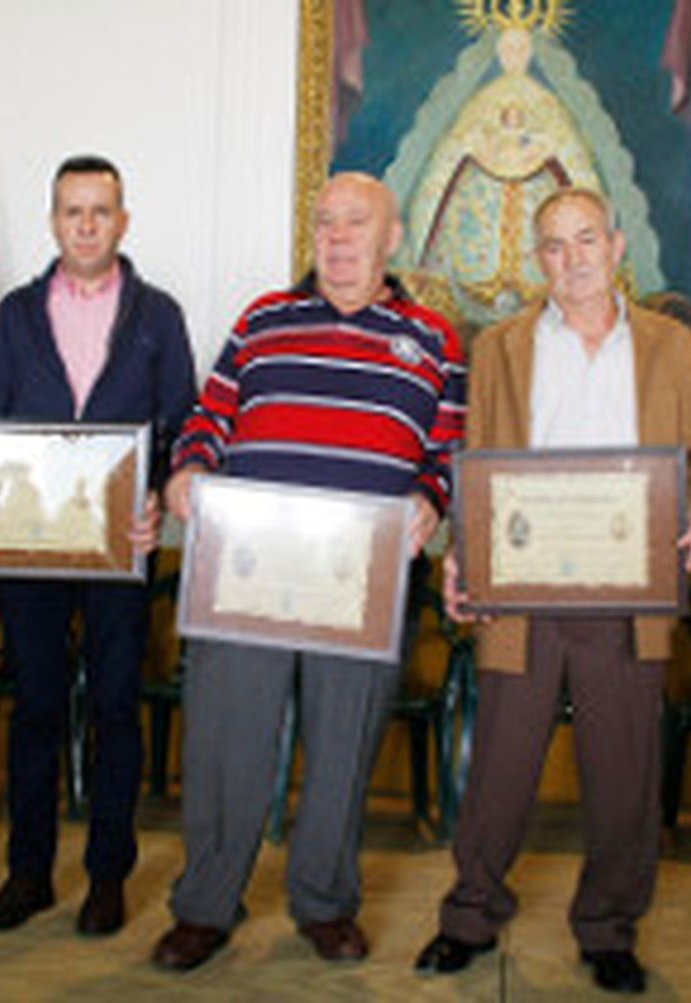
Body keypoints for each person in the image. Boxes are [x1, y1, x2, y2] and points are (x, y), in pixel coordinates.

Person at [152, 172, 466, 973]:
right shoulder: (263, 318)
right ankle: (204, 906)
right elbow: (208, 418)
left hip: (362, 579)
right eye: (325, 222)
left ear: (392, 237)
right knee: (227, 742)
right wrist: (187, 469)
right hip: (247, 568)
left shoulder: (435, 338)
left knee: (341, 748)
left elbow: (447, 453)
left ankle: (324, 904)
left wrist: (433, 500)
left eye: (356, 222)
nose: (337, 236)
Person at [413, 187, 691, 995]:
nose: (572, 258)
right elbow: (475, 462)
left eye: (587, 239)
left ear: (617, 246)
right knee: (501, 769)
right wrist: (460, 559)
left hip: (628, 591)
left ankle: (610, 927)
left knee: (623, 770)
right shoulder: (503, 347)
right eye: (554, 244)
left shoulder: (670, 347)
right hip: (523, 589)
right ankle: (470, 915)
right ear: (537, 258)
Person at [0, 155, 195, 935]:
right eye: (71, 211)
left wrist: (157, 496)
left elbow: (183, 426)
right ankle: (28, 874)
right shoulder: (14, 312)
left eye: (100, 211)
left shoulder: (159, 315)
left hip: (121, 546)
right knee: (38, 710)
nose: (86, 225)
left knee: (116, 709)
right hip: (30, 550)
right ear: (53, 220)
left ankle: (107, 877)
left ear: (123, 219)